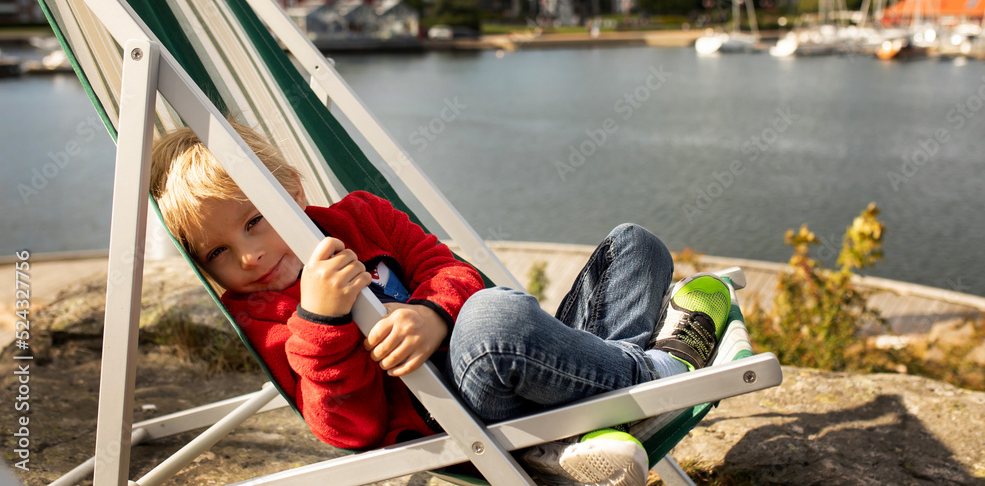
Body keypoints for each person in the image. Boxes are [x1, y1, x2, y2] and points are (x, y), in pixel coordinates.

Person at [150, 123, 733, 486]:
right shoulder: (268, 319)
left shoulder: (363, 214)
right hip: (460, 417)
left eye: (255, 220)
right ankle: (665, 372)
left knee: (633, 243)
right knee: (494, 316)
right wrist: (321, 321)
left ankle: (602, 427)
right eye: (220, 252)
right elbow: (346, 431)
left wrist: (432, 313)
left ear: (292, 191)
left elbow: (452, 271)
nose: (249, 256)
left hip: (521, 368)